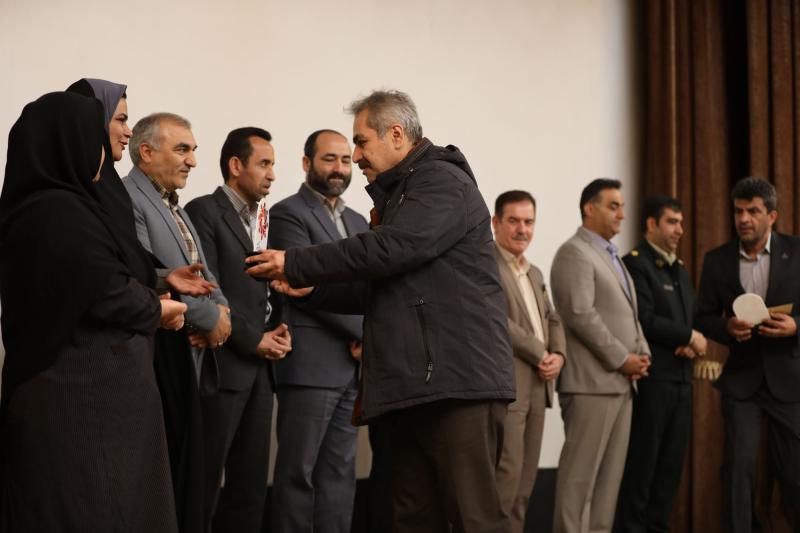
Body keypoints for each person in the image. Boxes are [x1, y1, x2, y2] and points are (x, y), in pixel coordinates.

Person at [246, 89, 515, 533]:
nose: (355, 157)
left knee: (474, 519)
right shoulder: (401, 195)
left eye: (361, 142)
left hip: (456, 385)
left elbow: (393, 248)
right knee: (412, 518)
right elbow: (384, 285)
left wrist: (295, 262)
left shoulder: (440, 181)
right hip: (416, 387)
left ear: (396, 134)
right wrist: (313, 290)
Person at [0, 91, 186, 532]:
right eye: (96, 137)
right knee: (98, 508)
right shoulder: (57, 211)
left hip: (85, 394)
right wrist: (158, 309)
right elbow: (105, 290)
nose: (105, 148)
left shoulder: (49, 207)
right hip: (82, 398)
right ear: (72, 143)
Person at [123, 112, 231, 532]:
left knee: (194, 485)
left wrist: (223, 313)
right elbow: (148, 276)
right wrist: (211, 319)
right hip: (161, 360)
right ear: (147, 152)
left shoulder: (175, 205)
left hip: (192, 361)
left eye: (193, 150)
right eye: (182, 149)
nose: (193, 161)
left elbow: (204, 275)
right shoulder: (127, 199)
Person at [184, 127, 290, 533]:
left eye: (273, 165)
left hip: (260, 370)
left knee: (250, 488)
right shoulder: (203, 211)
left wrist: (279, 329)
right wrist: (254, 339)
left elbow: (267, 288)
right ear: (235, 165)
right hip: (223, 366)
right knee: (205, 482)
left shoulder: (261, 217)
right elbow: (210, 288)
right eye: (264, 164)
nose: (272, 174)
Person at [268, 129, 369, 533]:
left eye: (345, 160)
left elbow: (370, 288)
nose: (339, 168)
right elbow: (303, 282)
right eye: (329, 159)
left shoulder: (358, 220)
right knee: (298, 474)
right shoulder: (288, 213)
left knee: (340, 475)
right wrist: (366, 331)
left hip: (351, 367)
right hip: (310, 366)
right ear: (307, 163)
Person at [695, 177, 800, 531]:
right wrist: (726, 328)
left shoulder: (798, 252)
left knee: (795, 474)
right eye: (739, 211)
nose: (744, 219)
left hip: (790, 382)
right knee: (738, 470)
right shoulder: (717, 260)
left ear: (772, 215)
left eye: (753, 211)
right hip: (742, 382)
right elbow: (702, 317)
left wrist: (796, 326)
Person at [549, 178, 651, 533]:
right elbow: (580, 314)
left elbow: (629, 315)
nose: (622, 214)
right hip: (591, 385)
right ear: (589, 208)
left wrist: (642, 353)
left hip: (621, 384)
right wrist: (622, 358)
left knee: (607, 487)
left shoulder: (612, 255)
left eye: (622, 207)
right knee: (579, 483)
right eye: (613, 206)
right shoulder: (573, 252)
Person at [615, 195, 707, 532]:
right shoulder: (636, 264)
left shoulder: (679, 269)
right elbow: (645, 318)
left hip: (681, 381)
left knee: (669, 470)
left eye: (681, 223)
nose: (679, 229)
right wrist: (687, 336)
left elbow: (689, 319)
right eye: (671, 222)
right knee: (643, 468)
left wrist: (690, 342)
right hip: (653, 381)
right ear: (651, 224)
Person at [492, 190, 566, 533]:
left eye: (529, 221)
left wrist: (559, 355)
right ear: (496, 223)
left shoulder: (534, 272)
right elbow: (497, 321)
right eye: (514, 221)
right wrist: (541, 352)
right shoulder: (485, 266)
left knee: (525, 486)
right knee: (504, 483)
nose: (522, 229)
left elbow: (553, 318)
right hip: (510, 387)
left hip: (540, 386)